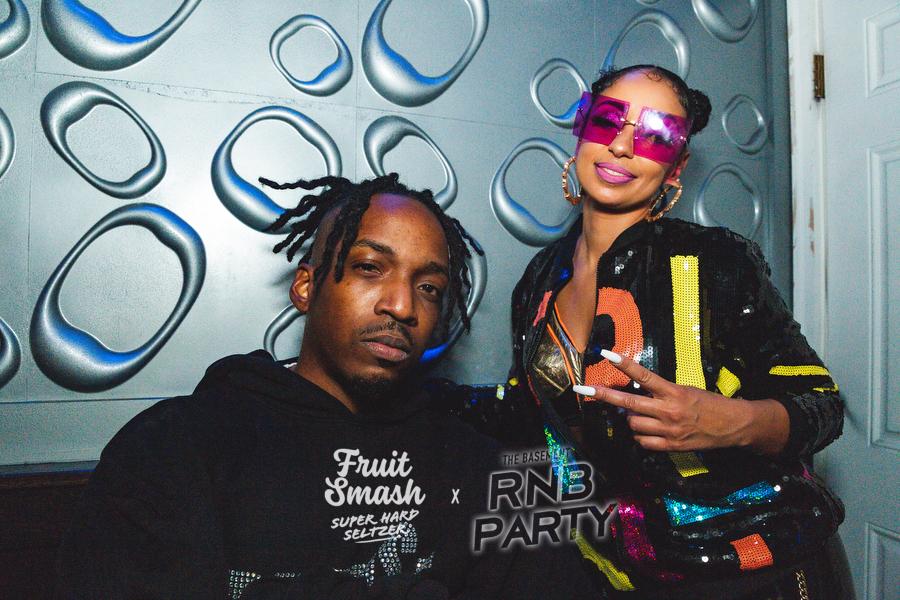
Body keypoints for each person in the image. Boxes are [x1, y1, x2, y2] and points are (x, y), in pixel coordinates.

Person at [55, 174, 597, 599]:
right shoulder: (175, 447)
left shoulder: (482, 464)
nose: (402, 305)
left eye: (429, 287)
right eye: (369, 268)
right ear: (306, 287)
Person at [507, 65, 854, 599]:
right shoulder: (539, 280)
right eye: (608, 121)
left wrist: (733, 422)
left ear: (677, 166)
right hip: (620, 570)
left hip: (760, 570)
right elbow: (523, 412)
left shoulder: (715, 261)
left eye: (656, 135)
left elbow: (822, 403)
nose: (622, 146)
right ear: (581, 129)